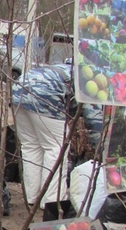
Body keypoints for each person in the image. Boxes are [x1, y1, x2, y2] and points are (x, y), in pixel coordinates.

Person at [12, 62, 101, 221]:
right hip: (45, 96)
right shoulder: (88, 78)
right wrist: (100, 148)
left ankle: (32, 196)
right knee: (56, 147)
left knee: (31, 146)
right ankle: (52, 199)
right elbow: (93, 119)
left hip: (18, 91)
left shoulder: (66, 69)